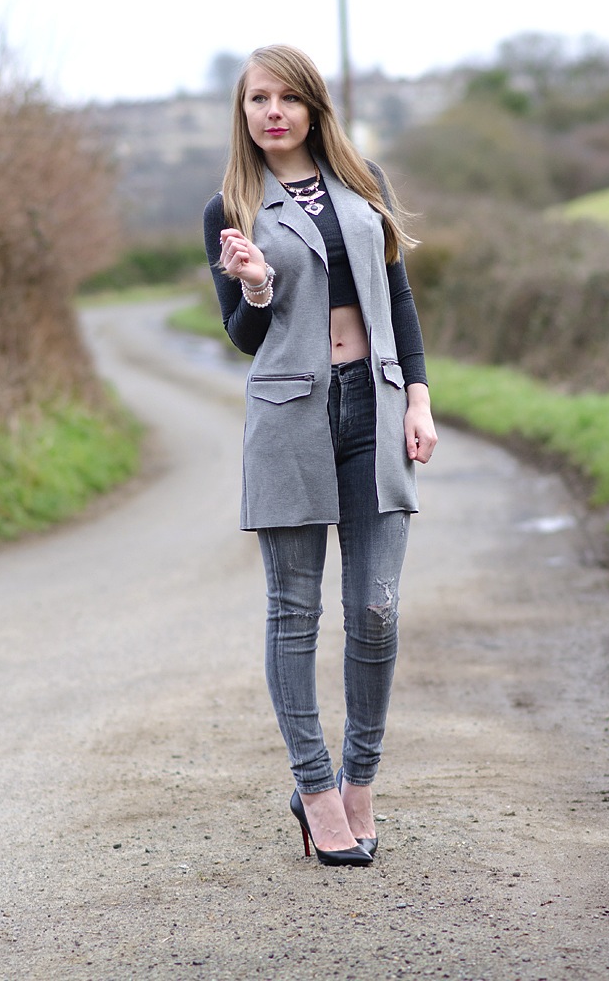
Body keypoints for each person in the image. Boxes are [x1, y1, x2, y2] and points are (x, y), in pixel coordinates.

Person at [203, 45, 437, 867]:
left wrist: (417, 394)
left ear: (312, 108)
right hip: (289, 417)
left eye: (286, 98)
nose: (271, 111)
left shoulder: (361, 182)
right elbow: (241, 336)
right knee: (293, 613)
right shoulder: (230, 204)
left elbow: (396, 294)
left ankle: (360, 780)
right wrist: (258, 286)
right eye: (256, 99)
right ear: (243, 112)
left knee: (375, 608)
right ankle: (314, 790)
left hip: (373, 406)